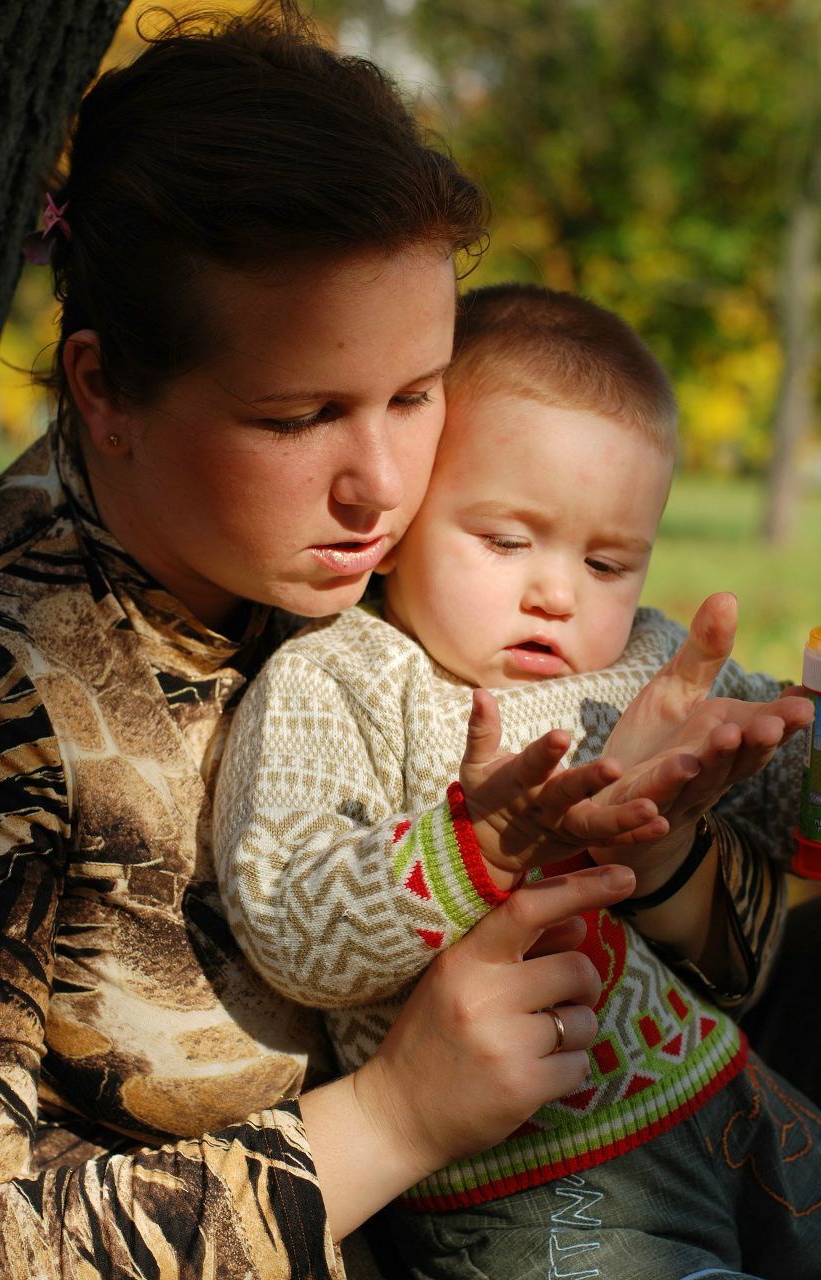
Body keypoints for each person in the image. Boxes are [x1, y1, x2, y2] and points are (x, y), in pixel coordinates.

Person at [0, 6, 809, 1277]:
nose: (382, 486)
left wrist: (660, 843)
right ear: (101, 387)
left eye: (416, 394)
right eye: (299, 415)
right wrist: (390, 1118)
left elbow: (745, 969)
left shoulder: (436, 570)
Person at [214, 284, 819, 1279]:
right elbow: (289, 922)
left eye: (610, 558)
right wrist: (474, 849)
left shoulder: (638, 660)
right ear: (403, 519)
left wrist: (780, 746)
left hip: (727, 1089)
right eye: (504, 539)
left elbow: (768, 767)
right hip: (535, 1182)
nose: (557, 590)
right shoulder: (344, 680)